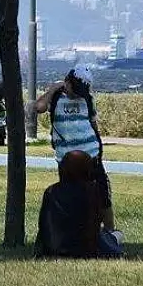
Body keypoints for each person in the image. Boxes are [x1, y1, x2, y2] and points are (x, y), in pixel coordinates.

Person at [33, 64, 115, 231]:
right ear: (67, 82)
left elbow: (93, 124)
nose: (77, 93)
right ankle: (77, 230)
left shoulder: (87, 99)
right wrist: (52, 90)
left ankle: (110, 232)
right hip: (66, 159)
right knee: (72, 196)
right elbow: (39, 107)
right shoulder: (56, 97)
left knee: (102, 195)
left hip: (91, 156)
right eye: (74, 88)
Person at [34, 149, 124, 259]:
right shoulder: (91, 190)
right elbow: (94, 223)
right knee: (116, 235)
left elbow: (44, 223)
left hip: (52, 248)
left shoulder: (51, 191)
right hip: (84, 249)